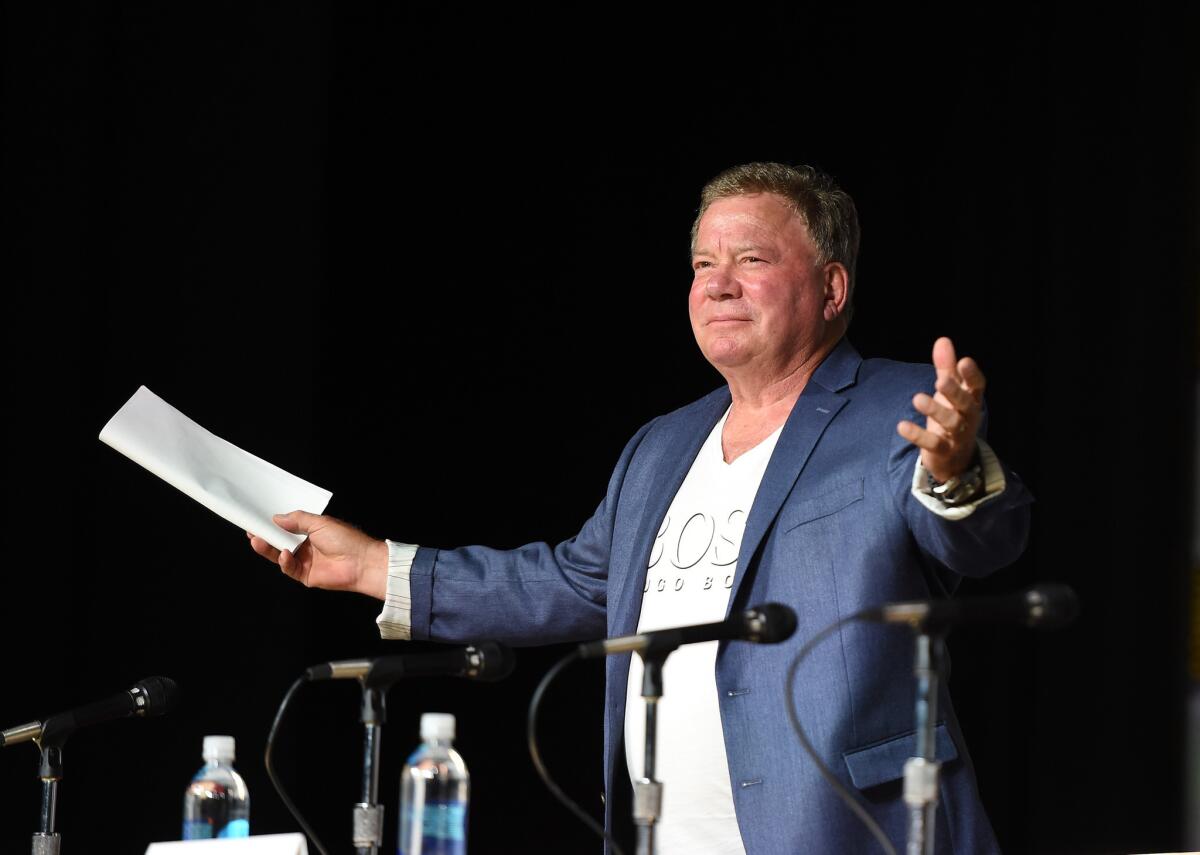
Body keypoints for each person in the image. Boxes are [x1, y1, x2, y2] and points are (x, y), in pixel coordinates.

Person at [249, 162, 1032, 854]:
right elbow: (568, 583)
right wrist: (372, 566)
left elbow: (980, 544)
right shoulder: (661, 445)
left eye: (751, 259)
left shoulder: (902, 407)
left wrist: (955, 470)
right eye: (702, 263)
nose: (717, 282)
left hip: (849, 830)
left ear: (832, 288)